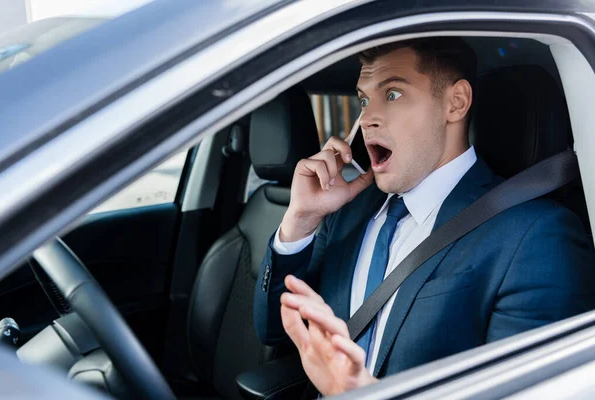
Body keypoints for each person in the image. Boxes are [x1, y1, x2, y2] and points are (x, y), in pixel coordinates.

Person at [253, 37, 595, 397]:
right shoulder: (347, 213)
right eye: (364, 99)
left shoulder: (536, 237)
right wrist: (301, 220)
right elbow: (276, 331)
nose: (366, 118)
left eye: (393, 94)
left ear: (455, 103)